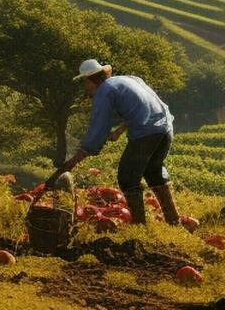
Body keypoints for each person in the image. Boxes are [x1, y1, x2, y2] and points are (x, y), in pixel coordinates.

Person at [62, 58, 182, 227]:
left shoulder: (104, 91)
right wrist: (120, 130)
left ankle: (139, 227)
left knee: (127, 177)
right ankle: (174, 221)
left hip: (146, 133)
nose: (85, 88)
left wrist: (79, 156)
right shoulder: (130, 80)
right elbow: (144, 106)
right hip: (165, 129)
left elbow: (99, 126)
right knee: (153, 172)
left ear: (89, 80)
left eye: (84, 83)